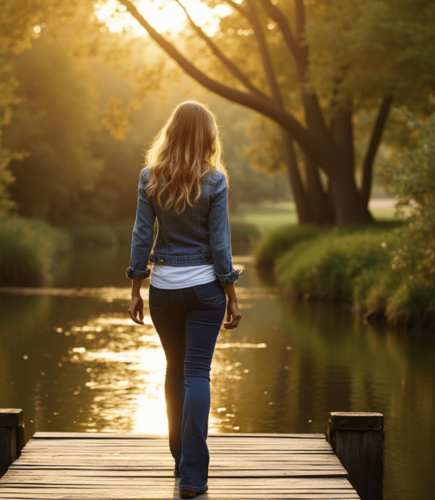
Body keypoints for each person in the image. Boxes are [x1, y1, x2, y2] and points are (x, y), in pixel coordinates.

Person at [126, 100, 242, 498]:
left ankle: (180, 462)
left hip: (163, 291)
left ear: (171, 132)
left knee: (174, 371)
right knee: (196, 374)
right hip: (205, 288)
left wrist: (136, 289)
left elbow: (143, 237)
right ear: (208, 135)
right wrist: (231, 293)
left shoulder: (149, 177)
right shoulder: (215, 181)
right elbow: (220, 244)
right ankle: (193, 476)